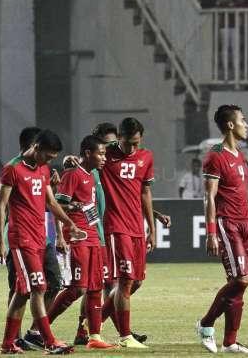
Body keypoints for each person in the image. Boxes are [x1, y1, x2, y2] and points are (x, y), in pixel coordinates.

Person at [0, 129, 77, 354]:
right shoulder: (13, 168)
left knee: (24, 292)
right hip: (22, 240)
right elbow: (0, 205)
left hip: (41, 238)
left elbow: (50, 202)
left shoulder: (43, 169)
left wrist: (69, 223)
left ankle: (8, 343)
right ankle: (49, 341)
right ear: (36, 147)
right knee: (38, 287)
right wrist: (0, 243)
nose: (50, 161)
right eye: (48, 156)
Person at [196, 105, 248, 354]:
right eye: (243, 120)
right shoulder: (216, 155)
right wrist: (211, 231)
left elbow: (245, 195)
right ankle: (205, 323)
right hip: (228, 223)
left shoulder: (241, 156)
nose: (247, 124)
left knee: (240, 283)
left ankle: (230, 341)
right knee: (240, 279)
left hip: (246, 224)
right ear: (231, 125)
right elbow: (209, 197)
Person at [47, 135, 115, 349]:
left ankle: (94, 337)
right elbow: (57, 204)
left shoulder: (92, 173)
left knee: (95, 288)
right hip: (78, 238)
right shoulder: (73, 175)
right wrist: (72, 207)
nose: (104, 158)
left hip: (94, 236)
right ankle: (41, 328)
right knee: (78, 288)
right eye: (101, 154)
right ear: (88, 153)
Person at [99, 117, 156, 349]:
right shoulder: (105, 154)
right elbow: (83, 162)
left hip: (136, 228)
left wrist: (152, 228)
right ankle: (125, 336)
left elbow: (144, 193)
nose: (133, 148)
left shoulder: (146, 157)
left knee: (137, 282)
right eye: (128, 143)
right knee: (124, 281)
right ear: (119, 137)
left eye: (136, 143)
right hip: (115, 226)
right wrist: (70, 160)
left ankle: (92, 323)